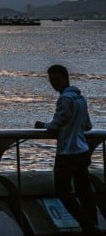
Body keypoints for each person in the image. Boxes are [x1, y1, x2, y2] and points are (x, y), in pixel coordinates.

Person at [35, 64, 100, 235]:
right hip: (83, 151)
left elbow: (56, 125)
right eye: (51, 80)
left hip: (67, 153)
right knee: (84, 191)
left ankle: (88, 226)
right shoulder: (80, 99)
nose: (53, 84)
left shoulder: (64, 99)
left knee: (63, 191)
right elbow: (87, 126)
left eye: (55, 79)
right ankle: (93, 224)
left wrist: (43, 125)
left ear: (64, 78)